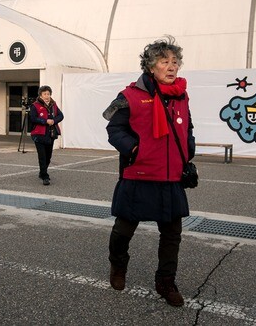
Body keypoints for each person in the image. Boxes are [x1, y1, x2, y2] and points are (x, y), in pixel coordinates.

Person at [102, 35, 195, 307]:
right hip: (138, 175)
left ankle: (166, 281)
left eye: (175, 61)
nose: (172, 66)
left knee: (172, 235)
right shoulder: (129, 95)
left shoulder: (182, 95)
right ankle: (118, 266)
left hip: (171, 177)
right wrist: (134, 149)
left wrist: (187, 151)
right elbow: (113, 128)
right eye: (165, 61)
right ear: (151, 66)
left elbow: (187, 127)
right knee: (123, 229)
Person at [29, 85, 64, 185]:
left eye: (48, 94)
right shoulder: (35, 105)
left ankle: (42, 172)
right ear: (40, 95)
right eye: (44, 94)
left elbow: (61, 116)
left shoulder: (54, 104)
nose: (47, 96)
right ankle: (45, 176)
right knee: (42, 156)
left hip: (51, 134)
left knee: (48, 156)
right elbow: (33, 118)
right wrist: (45, 121)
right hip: (39, 134)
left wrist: (53, 120)